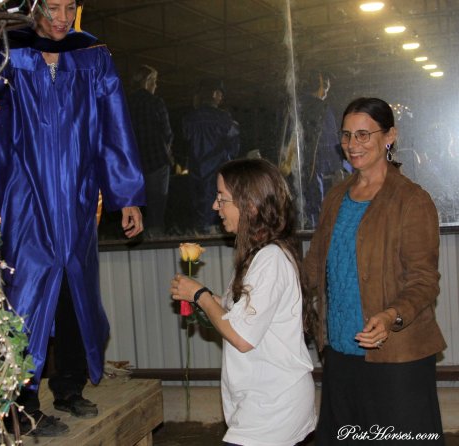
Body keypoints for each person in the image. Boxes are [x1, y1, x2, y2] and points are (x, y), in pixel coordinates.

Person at [0, 0, 145, 436]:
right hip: (24, 195)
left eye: (69, 6)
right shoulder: (10, 55)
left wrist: (126, 195)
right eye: (53, 7)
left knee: (76, 290)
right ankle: (19, 404)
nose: (62, 18)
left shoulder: (92, 57)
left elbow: (115, 125)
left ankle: (69, 386)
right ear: (34, 6)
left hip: (78, 196)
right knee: (25, 295)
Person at [303, 97, 446, 444]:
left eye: (364, 135)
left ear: (389, 137)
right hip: (340, 353)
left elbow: (424, 281)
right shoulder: (335, 198)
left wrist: (391, 315)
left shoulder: (412, 200)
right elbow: (314, 266)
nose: (353, 144)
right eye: (347, 135)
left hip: (396, 356)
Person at [170, 158, 316, 446]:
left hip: (274, 405)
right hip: (261, 401)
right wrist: (202, 299)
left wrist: (199, 295)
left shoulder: (271, 259)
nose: (215, 206)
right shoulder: (255, 255)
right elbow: (234, 312)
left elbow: (241, 337)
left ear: (250, 206)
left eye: (222, 198)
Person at [279, 70, 345, 229]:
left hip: (290, 169)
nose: (326, 92)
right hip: (313, 170)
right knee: (314, 211)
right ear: (318, 85)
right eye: (325, 86)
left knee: (295, 210)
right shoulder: (322, 109)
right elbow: (331, 141)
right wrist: (338, 168)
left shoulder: (293, 106)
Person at [182, 79, 239, 234]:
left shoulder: (189, 118)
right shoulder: (223, 118)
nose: (221, 97)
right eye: (220, 93)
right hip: (217, 170)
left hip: (195, 171)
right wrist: (228, 158)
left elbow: (184, 143)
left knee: (198, 204)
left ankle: (200, 229)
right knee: (217, 203)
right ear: (214, 94)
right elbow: (234, 143)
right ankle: (213, 229)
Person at [127, 64, 173, 237]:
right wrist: (168, 151)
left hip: (134, 163)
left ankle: (136, 233)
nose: (156, 86)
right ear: (147, 82)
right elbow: (167, 132)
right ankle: (156, 234)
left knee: (137, 203)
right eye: (154, 81)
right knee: (158, 202)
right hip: (157, 160)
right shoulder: (156, 102)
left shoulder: (126, 103)